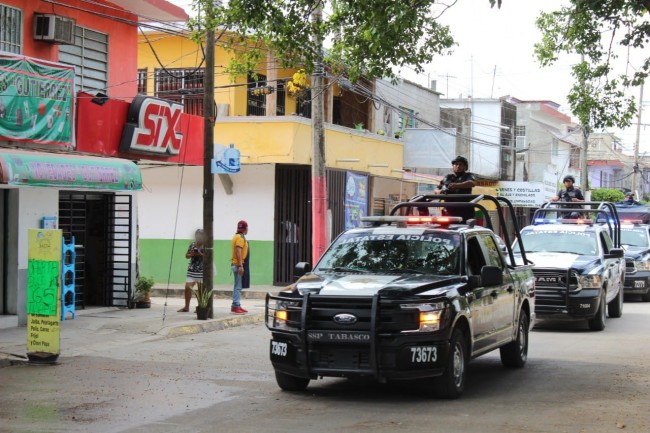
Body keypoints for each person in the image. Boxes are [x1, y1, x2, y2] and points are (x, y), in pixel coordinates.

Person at [434, 155, 476, 222]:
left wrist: (457, 185)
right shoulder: (448, 177)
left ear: (465, 167)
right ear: (453, 166)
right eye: (456, 164)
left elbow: (472, 183)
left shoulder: (468, 175)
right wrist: (440, 192)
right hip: (449, 211)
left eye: (461, 164)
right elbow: (436, 189)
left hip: (465, 212)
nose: (458, 166)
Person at [178, 229, 205, 312]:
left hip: (201, 271)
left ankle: (200, 307)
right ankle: (186, 307)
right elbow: (186, 255)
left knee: (201, 290)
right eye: (197, 236)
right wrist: (191, 254)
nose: (198, 238)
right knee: (187, 288)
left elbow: (209, 256)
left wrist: (200, 254)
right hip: (192, 270)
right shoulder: (192, 245)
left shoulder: (206, 245)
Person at [231, 220, 249, 315]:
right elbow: (238, 251)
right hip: (238, 265)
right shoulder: (240, 238)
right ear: (245, 229)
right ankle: (236, 305)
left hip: (236, 264)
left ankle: (236, 305)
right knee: (238, 287)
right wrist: (241, 266)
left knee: (237, 286)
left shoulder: (236, 236)